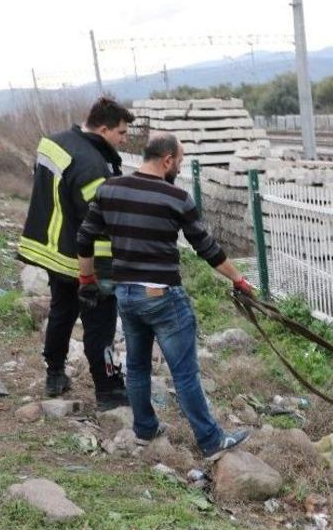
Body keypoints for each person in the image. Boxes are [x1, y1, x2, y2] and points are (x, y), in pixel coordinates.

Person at [76, 132, 253, 459]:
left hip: (126, 294)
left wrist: (86, 278)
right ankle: (211, 441)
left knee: (138, 365)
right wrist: (239, 279)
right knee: (185, 372)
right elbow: (207, 248)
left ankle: (144, 429)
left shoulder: (109, 189)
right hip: (163, 296)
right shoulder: (176, 198)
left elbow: (84, 239)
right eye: (180, 162)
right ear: (167, 159)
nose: (179, 169)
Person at [18, 96, 135, 409]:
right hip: (86, 261)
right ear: (103, 128)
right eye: (121, 133)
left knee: (62, 313)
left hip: (56, 251)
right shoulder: (93, 166)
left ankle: (55, 373)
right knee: (101, 327)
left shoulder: (55, 144)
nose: (124, 140)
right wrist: (99, 273)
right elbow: (98, 223)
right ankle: (109, 390)